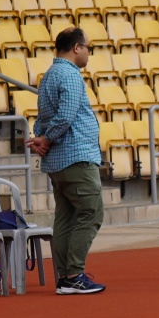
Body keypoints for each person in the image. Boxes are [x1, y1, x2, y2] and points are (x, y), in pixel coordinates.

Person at [29, 27, 106, 295]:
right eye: (88, 48)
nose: (88, 53)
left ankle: (64, 278)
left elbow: (43, 117)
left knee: (65, 217)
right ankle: (74, 274)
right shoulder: (71, 75)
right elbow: (66, 116)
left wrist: (42, 138)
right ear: (76, 48)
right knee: (92, 212)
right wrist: (47, 139)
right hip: (76, 156)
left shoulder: (49, 75)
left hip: (58, 162)